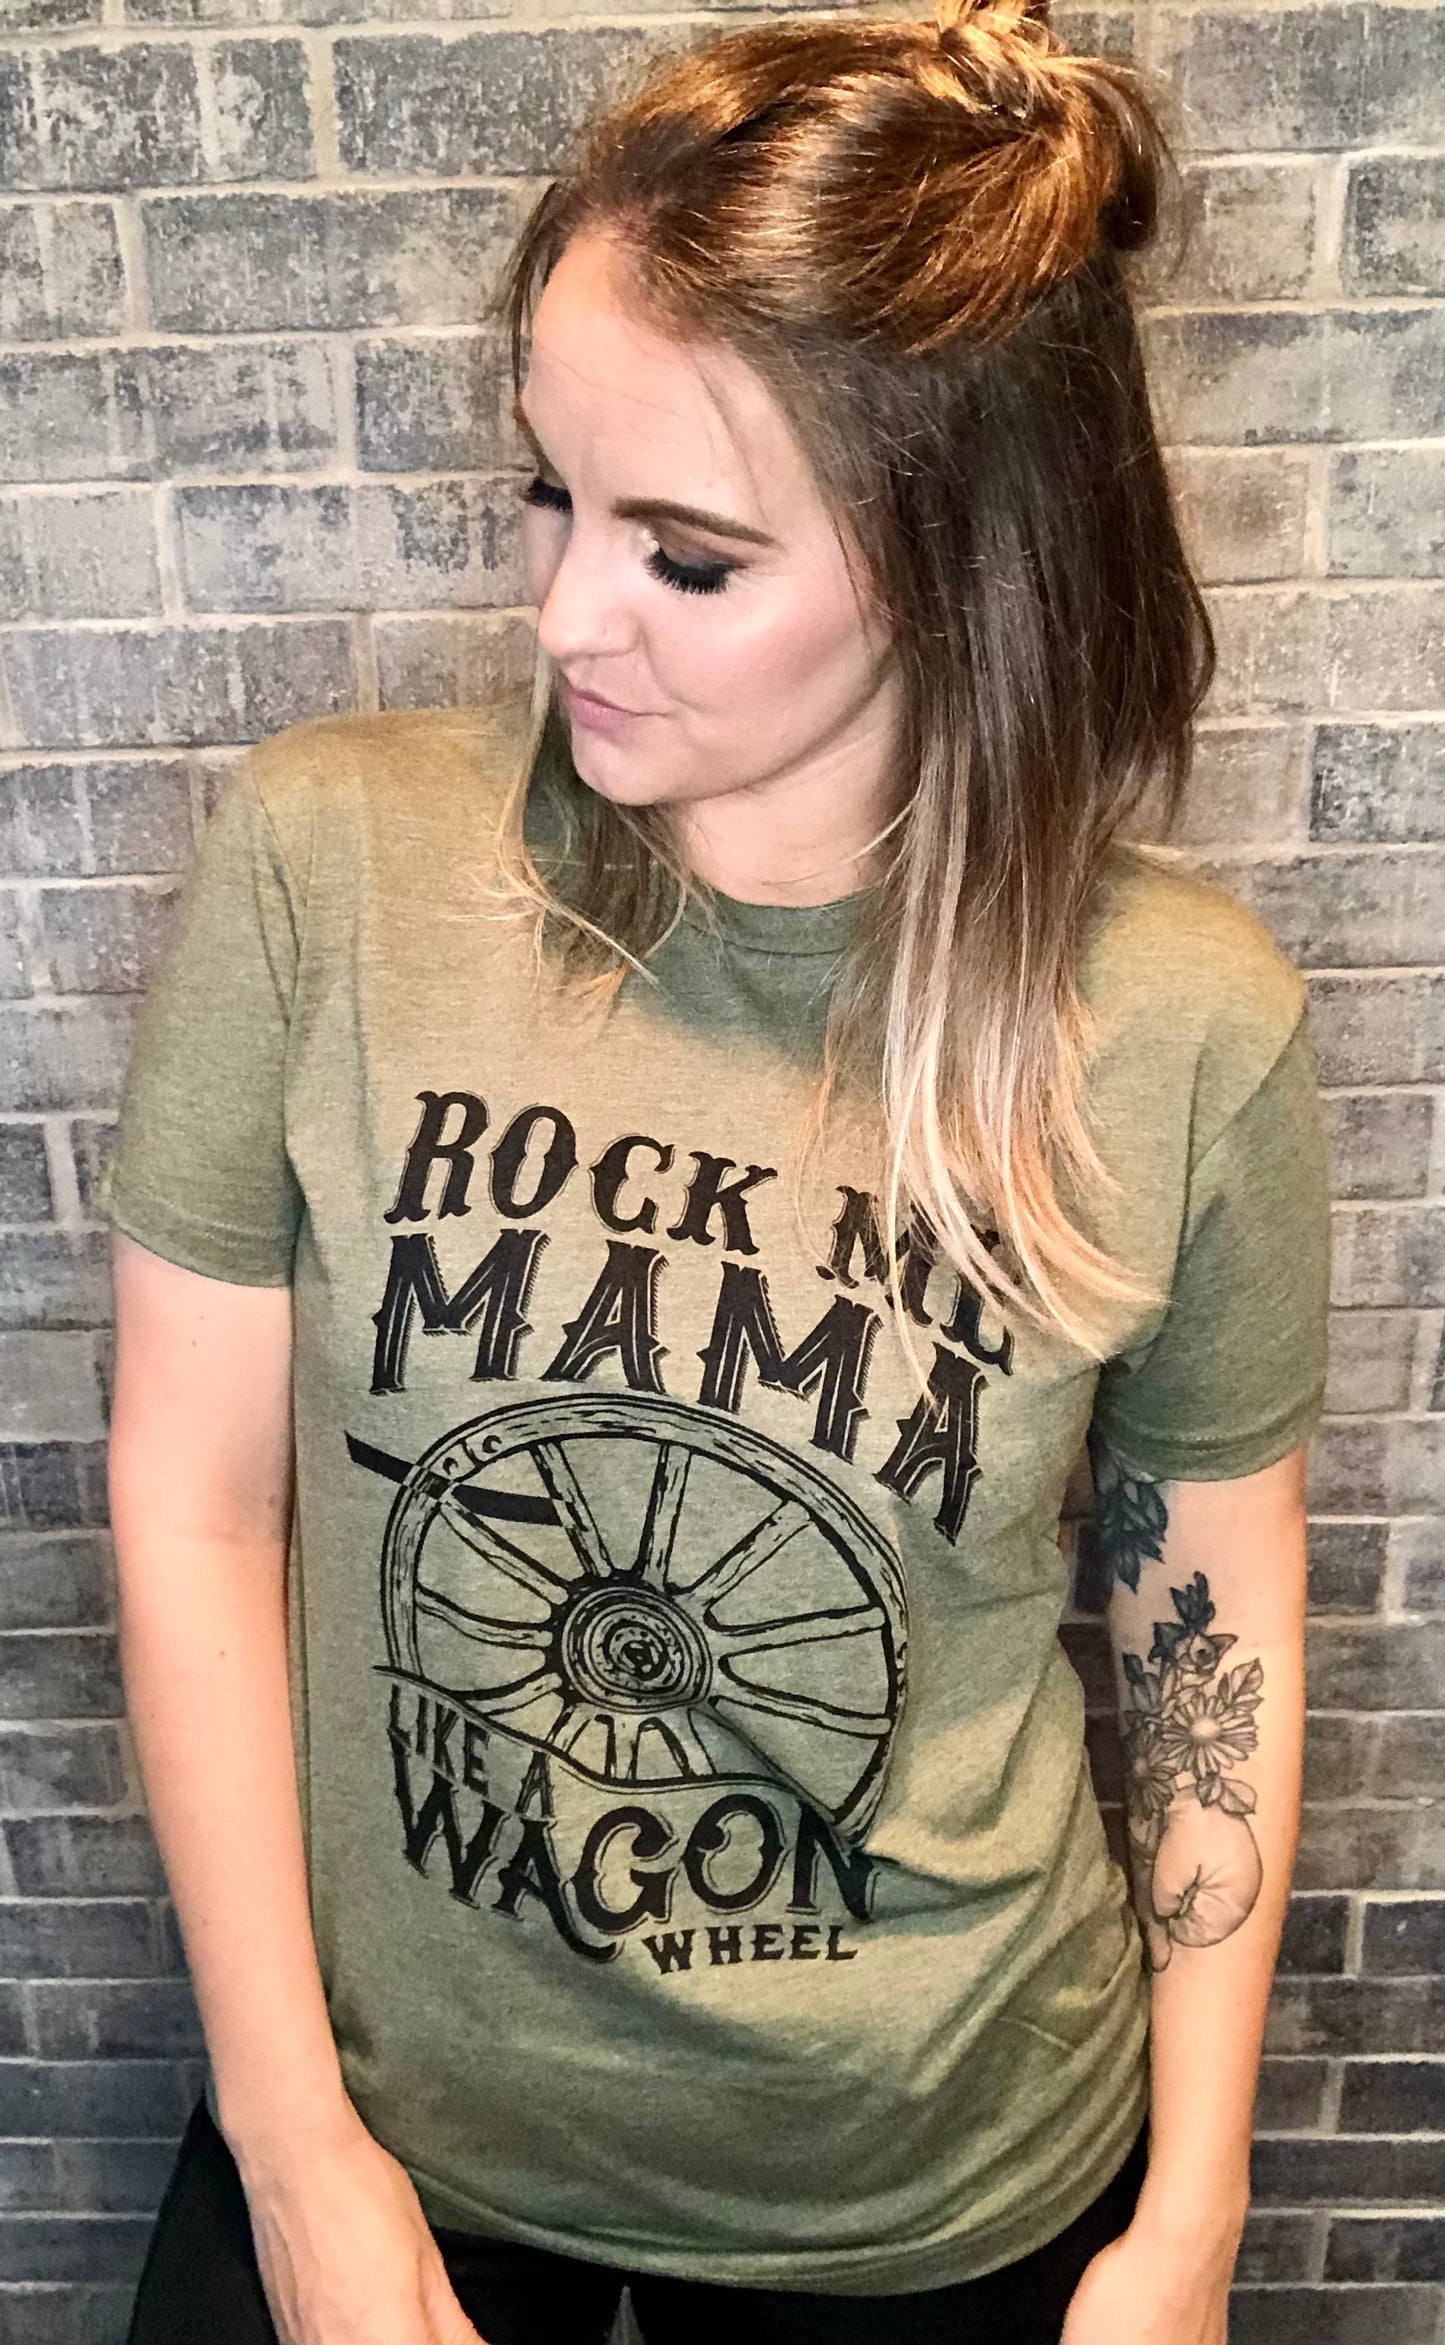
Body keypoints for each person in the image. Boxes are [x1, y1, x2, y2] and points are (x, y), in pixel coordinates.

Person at [100, 0, 1331, 2338]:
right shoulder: (328, 870)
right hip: (396, 2155)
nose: (564, 612)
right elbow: (196, 1507)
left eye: (686, 555)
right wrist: (295, 2156)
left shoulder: (1181, 1024)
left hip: (953, 2193)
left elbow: (1215, 1632)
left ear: (958, 565)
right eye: (549, 493)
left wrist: (1189, 2225)